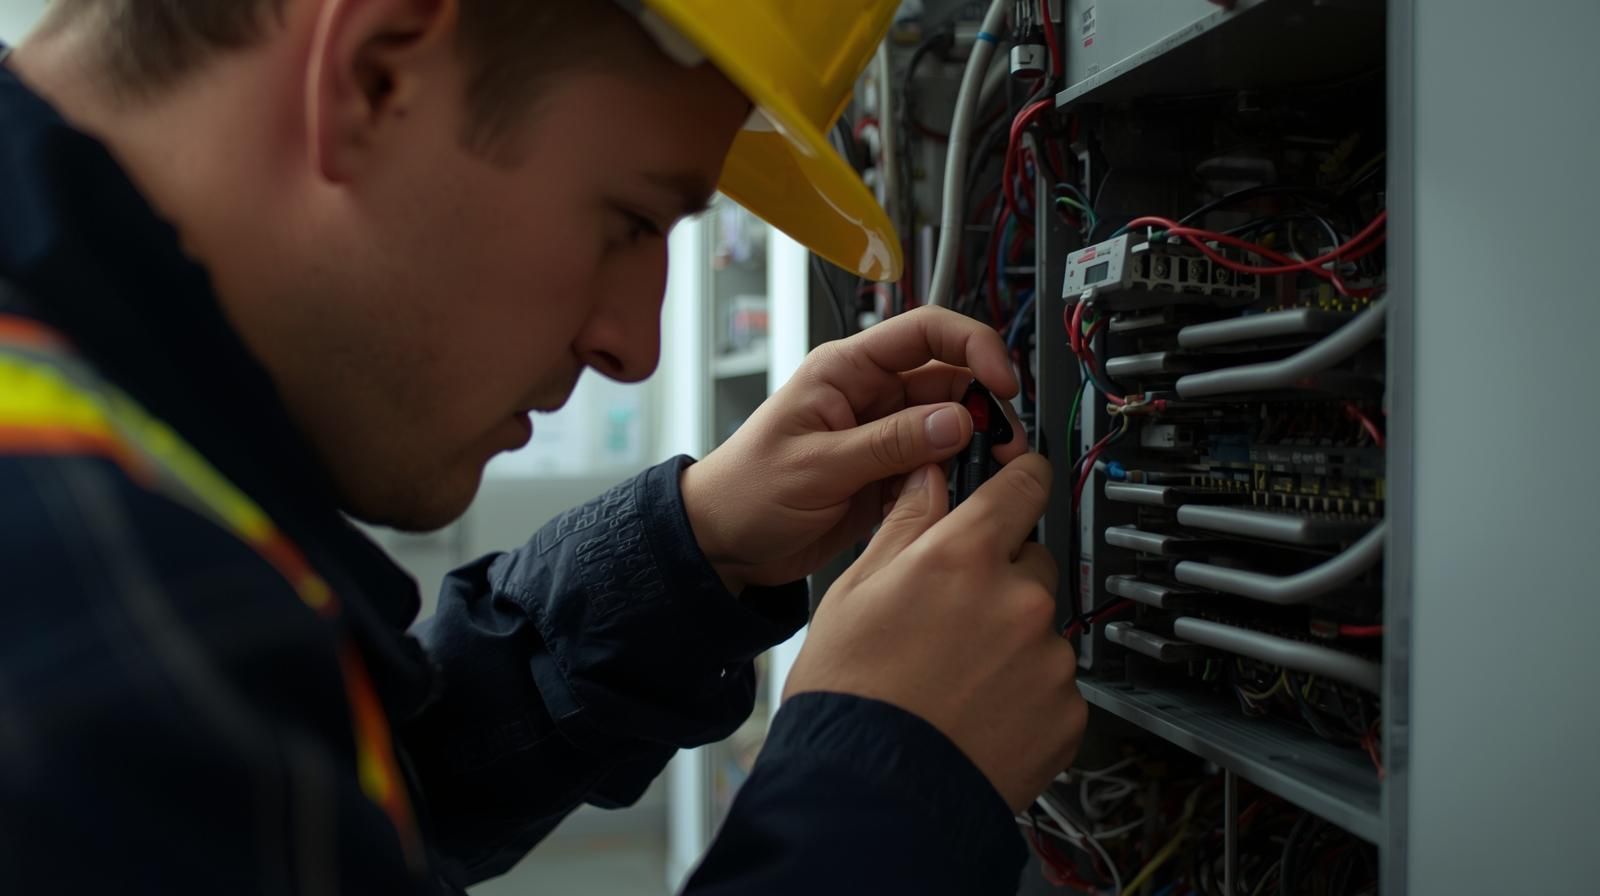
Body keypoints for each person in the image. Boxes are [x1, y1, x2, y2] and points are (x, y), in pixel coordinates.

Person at [0, 0, 1088, 892]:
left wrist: (684, 551)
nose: (635, 348)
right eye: (628, 219)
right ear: (376, 74)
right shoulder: (73, 610)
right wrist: (889, 784)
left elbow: (292, 810)